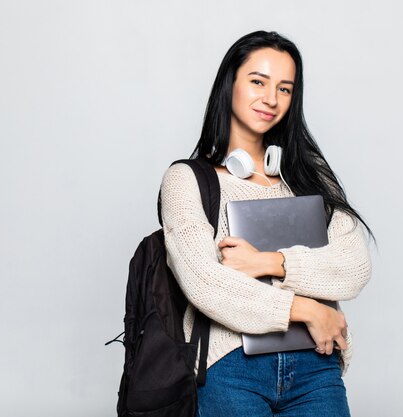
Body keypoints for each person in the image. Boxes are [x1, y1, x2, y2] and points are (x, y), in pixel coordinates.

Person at [159, 30, 373, 417]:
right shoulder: (188, 180)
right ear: (230, 84)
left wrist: (269, 262)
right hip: (230, 368)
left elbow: (354, 266)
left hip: (315, 367)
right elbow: (205, 282)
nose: (271, 99)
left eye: (285, 89)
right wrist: (309, 310)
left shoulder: (310, 174)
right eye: (258, 81)